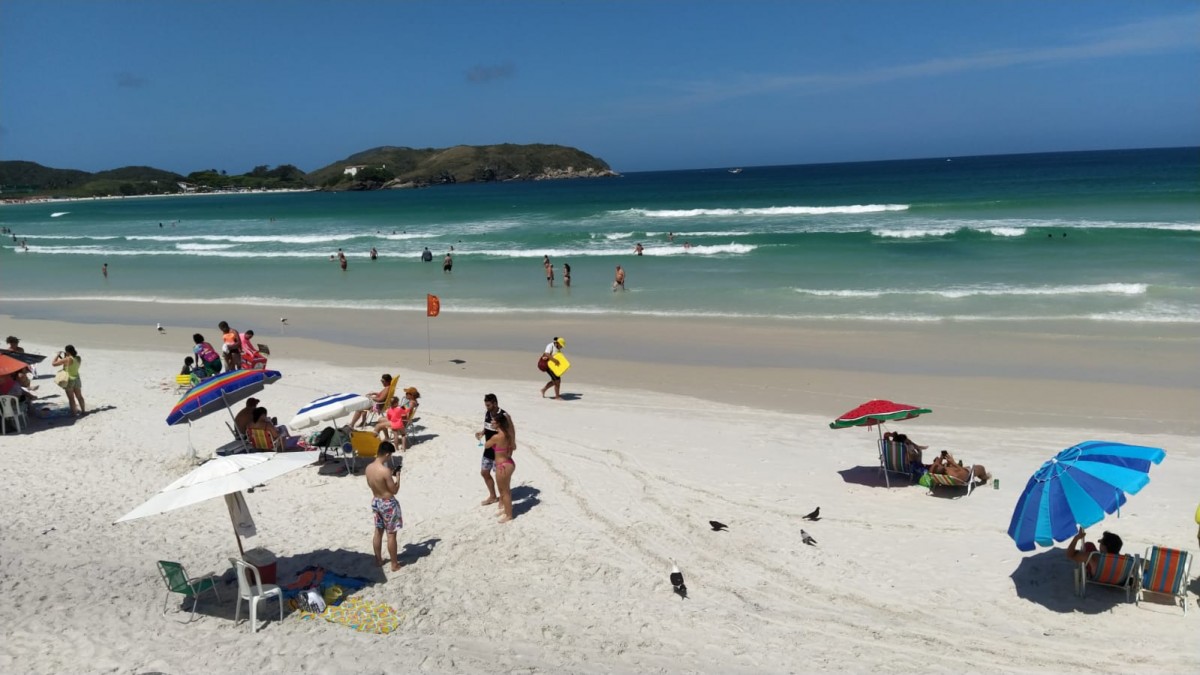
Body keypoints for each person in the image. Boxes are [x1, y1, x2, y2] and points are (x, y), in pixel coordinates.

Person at [366, 441, 404, 571]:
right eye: (390, 455)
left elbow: (371, 484)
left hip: (376, 501)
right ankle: (394, 564)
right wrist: (398, 478)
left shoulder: (368, 468)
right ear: (387, 454)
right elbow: (394, 490)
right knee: (391, 534)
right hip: (387, 503)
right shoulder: (385, 471)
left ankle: (378, 560)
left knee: (378, 531)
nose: (389, 458)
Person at [483, 409, 517, 522]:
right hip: (509, 463)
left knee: (504, 491)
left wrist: (481, 439)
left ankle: (509, 515)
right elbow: (514, 446)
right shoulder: (509, 435)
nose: (491, 423)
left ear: (499, 423)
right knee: (504, 490)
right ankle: (507, 510)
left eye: (494, 422)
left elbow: (486, 445)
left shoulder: (497, 437)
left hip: (502, 466)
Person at [474, 393, 506, 506]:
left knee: (500, 478)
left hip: (499, 452)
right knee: (484, 473)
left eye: (488, 405)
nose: (486, 407)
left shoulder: (502, 415)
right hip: (488, 450)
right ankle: (493, 496)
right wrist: (482, 433)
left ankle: (503, 499)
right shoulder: (488, 412)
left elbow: (508, 432)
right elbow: (487, 426)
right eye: (486, 405)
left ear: (495, 403)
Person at [52, 345, 85, 417]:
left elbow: (54, 364)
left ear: (67, 352)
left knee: (71, 398)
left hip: (69, 379)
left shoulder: (67, 359)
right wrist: (65, 357)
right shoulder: (78, 358)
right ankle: (83, 411)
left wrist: (57, 355)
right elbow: (70, 364)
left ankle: (74, 413)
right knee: (79, 396)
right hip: (77, 378)